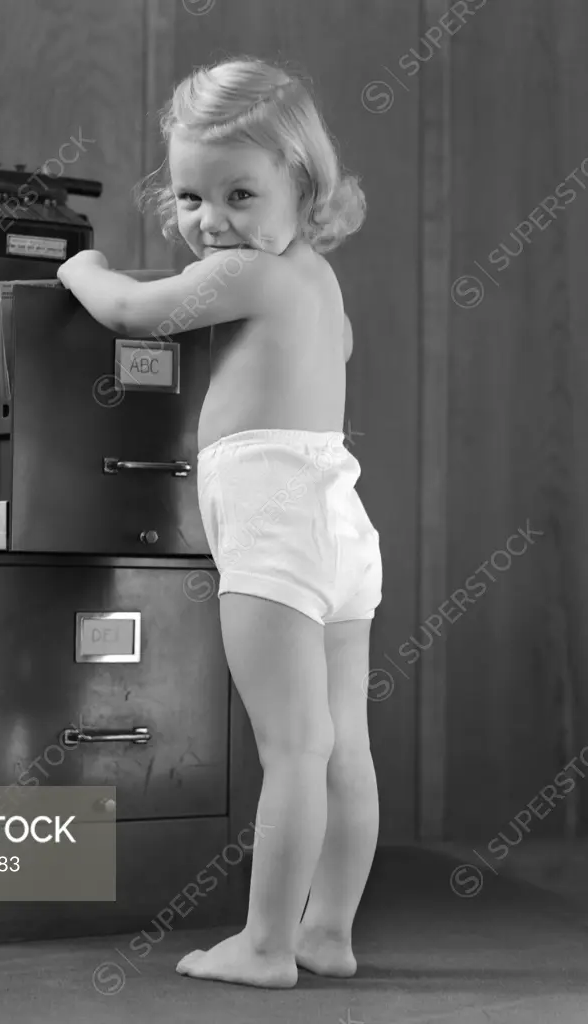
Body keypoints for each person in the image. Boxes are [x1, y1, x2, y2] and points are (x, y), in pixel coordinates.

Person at [57, 55, 382, 990]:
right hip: (337, 519)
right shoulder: (315, 284)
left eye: (239, 193)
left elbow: (132, 311)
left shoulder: (245, 274)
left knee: (289, 746)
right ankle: (328, 932)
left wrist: (83, 266)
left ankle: (267, 945)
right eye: (193, 197)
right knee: (337, 744)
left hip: (275, 517)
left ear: (304, 185)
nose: (212, 222)